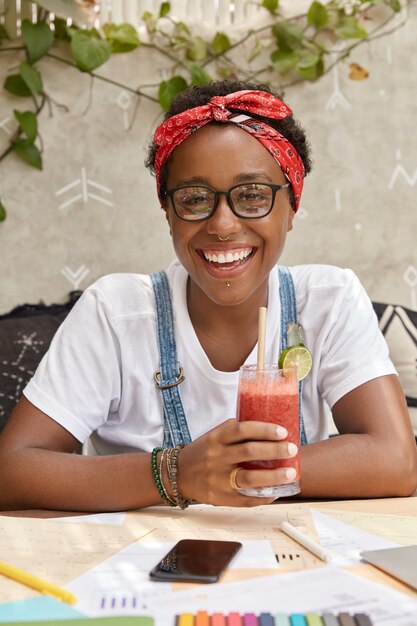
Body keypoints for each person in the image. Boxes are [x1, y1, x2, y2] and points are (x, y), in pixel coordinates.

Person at [0, 80, 416, 512]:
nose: (221, 224)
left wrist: (239, 470)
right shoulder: (116, 314)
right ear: (167, 212)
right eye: (195, 199)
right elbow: (11, 472)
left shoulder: (329, 301)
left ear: (291, 207)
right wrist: (175, 472)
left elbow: (397, 461)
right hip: (144, 566)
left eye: (252, 196)